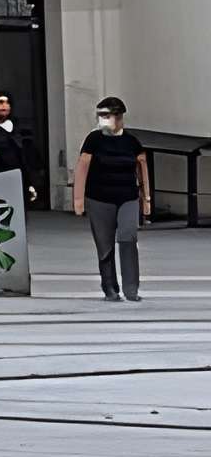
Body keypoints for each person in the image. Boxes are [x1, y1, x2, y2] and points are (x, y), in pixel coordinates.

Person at [79, 96, 151, 303]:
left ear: (120, 117)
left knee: (129, 238)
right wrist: (78, 199)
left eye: (110, 115)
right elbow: (83, 167)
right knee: (105, 245)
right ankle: (110, 287)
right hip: (99, 197)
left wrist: (146, 199)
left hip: (127, 196)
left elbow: (142, 169)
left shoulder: (131, 141)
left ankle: (131, 288)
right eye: (102, 116)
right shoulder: (93, 140)